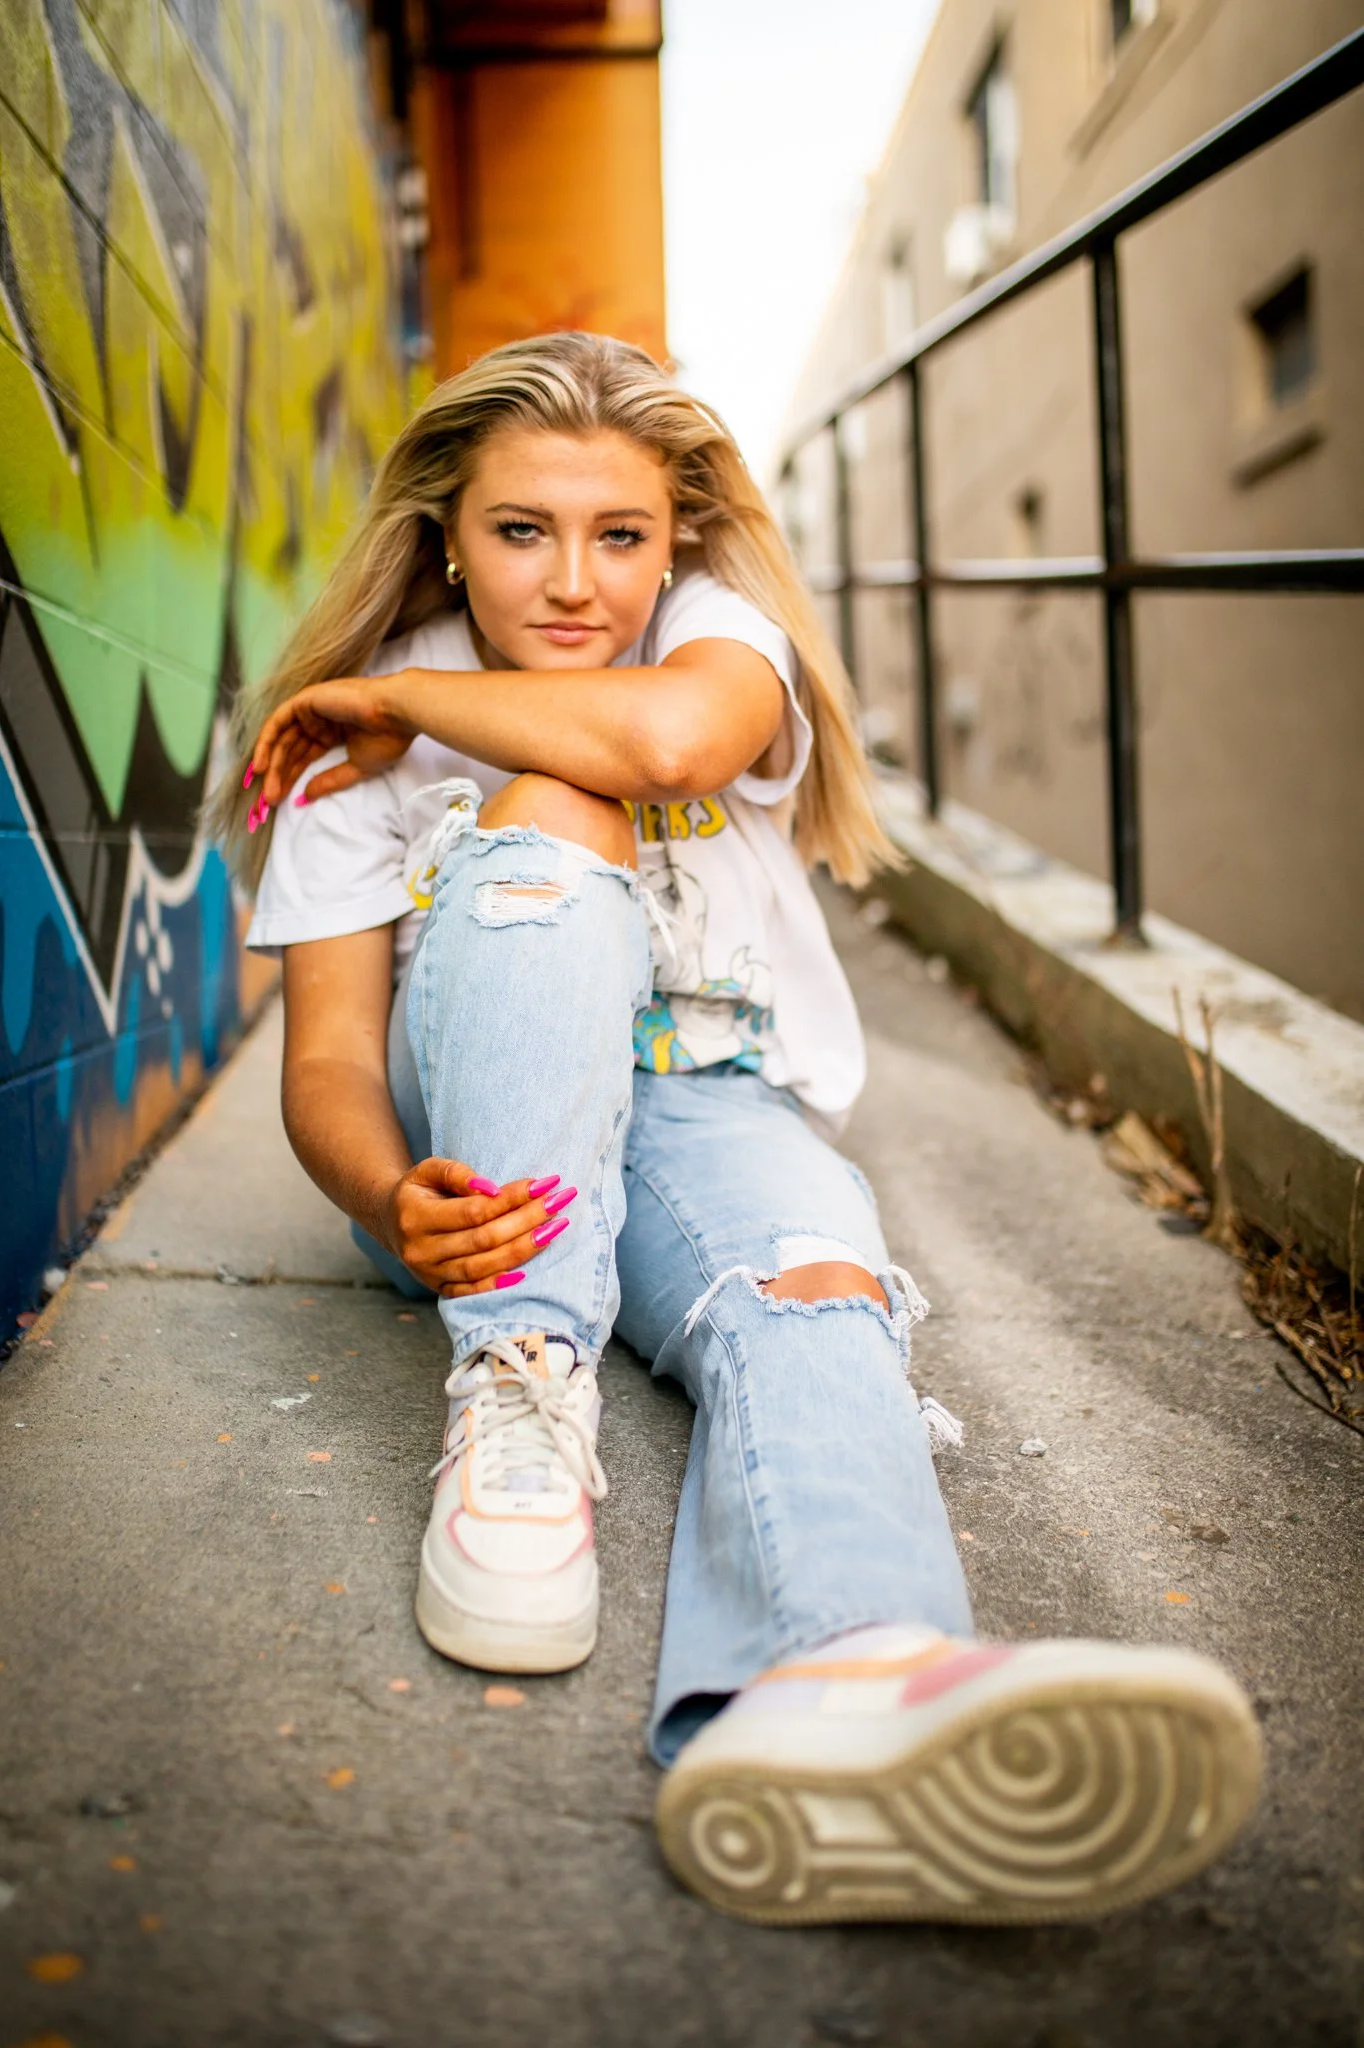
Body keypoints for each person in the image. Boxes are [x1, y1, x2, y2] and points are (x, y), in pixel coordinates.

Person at [207, 332, 1261, 1928]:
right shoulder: (351, 762)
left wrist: (404, 697)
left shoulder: (707, 636)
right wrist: (379, 1188)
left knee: (822, 1280)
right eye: (520, 530)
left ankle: (853, 1674)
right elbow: (332, 1060)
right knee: (553, 813)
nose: (576, 581)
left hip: (699, 1103)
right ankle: (520, 1389)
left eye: (619, 534)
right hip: (479, 1143)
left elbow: (671, 746)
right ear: (443, 531)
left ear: (677, 538)